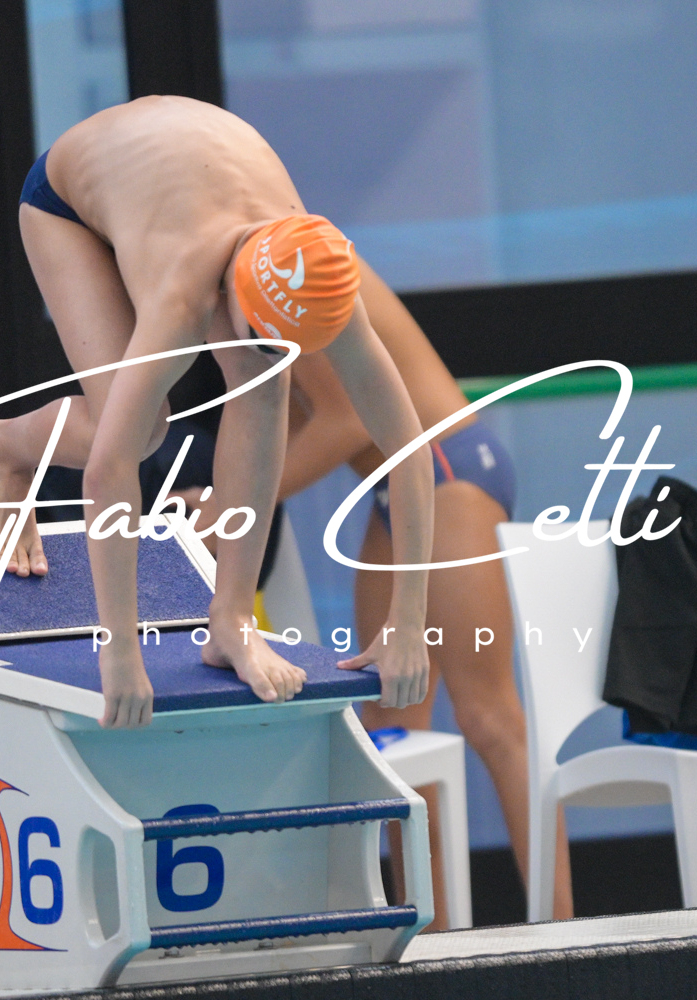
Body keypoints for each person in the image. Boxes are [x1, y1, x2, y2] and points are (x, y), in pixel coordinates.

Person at [0, 96, 435, 729]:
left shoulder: (325, 277)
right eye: (266, 335)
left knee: (261, 383)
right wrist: (121, 651)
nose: (275, 353)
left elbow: (410, 446)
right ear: (233, 290)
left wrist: (408, 622)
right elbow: (107, 471)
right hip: (67, 201)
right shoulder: (183, 296)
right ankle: (1, 447)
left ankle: (230, 622)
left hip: (174, 174)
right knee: (136, 430)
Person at [180, 263, 572, 924]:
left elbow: (347, 422)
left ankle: (565, 935)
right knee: (391, 730)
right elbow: (284, 418)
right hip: (398, 494)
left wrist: (227, 509)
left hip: (450, 473)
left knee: (490, 718)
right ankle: (434, 933)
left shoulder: (284, 265)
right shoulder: (241, 279)